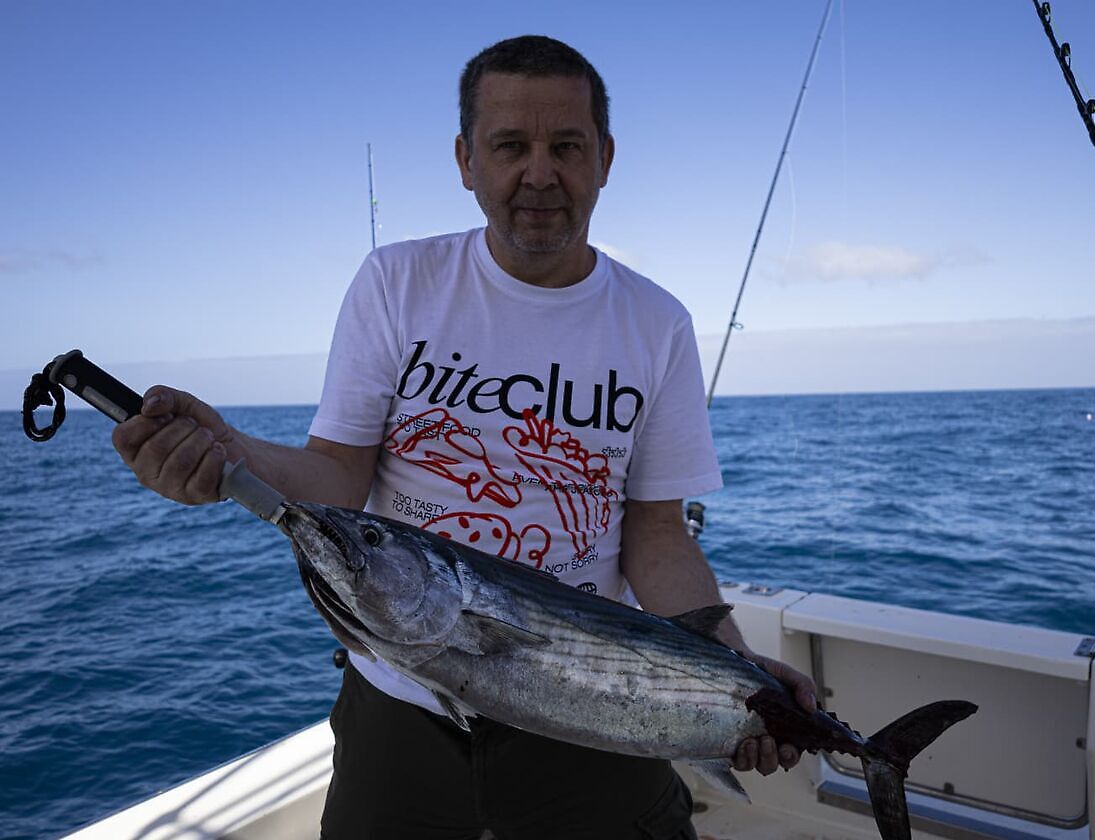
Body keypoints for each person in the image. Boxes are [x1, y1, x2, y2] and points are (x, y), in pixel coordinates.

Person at [113, 34, 816, 839]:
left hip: (598, 706)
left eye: (567, 146)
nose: (539, 174)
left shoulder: (657, 323)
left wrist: (734, 668)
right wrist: (230, 454)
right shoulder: (396, 283)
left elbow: (656, 533)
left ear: (606, 159)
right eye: (510, 146)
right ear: (466, 160)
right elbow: (338, 476)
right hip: (402, 703)